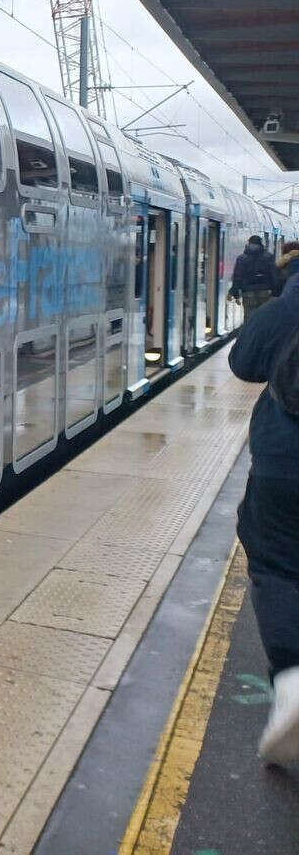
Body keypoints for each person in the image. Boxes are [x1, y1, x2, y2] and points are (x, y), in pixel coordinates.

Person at [228, 272, 299, 765]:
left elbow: (243, 362)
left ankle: (293, 684)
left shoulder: (288, 305)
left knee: (275, 566)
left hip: (285, 465)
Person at [229, 235, 280, 322]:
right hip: (265, 292)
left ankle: (250, 334)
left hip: (247, 292)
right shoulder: (268, 257)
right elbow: (274, 275)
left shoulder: (242, 258)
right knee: (264, 317)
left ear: (248, 243)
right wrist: (276, 293)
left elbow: (237, 277)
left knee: (249, 317)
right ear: (261, 244)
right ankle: (262, 334)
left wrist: (235, 292)